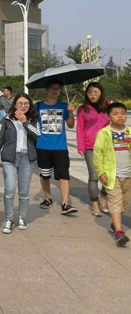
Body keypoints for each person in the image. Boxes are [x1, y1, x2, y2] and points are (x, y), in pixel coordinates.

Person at [0, 94, 41, 233]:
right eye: (20, 103)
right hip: (10, 159)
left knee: (24, 191)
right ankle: (9, 219)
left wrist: (25, 122)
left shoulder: (33, 119)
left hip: (27, 158)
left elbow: (37, 135)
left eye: (26, 103)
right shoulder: (7, 119)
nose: (23, 106)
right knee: (9, 190)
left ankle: (22, 217)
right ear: (15, 104)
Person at [35, 79, 77, 215]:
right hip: (43, 146)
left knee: (64, 175)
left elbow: (70, 125)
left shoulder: (64, 106)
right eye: (53, 88)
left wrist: (71, 113)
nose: (56, 91)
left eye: (58, 89)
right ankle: (48, 198)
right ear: (47, 90)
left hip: (60, 147)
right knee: (44, 175)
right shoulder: (38, 106)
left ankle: (65, 203)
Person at [93, 103, 131, 246]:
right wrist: (100, 172)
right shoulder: (104, 133)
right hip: (111, 175)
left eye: (123, 113)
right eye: (115, 114)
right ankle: (119, 232)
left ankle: (115, 225)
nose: (120, 116)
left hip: (128, 175)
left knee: (124, 203)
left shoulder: (129, 131)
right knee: (115, 201)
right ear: (108, 117)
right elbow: (97, 154)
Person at [76, 82, 110, 216]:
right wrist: (80, 146)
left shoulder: (109, 106)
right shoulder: (82, 109)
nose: (93, 95)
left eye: (96, 92)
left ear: (101, 93)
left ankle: (103, 195)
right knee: (94, 176)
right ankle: (95, 204)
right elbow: (80, 129)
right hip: (90, 146)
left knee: (109, 175)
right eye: (90, 92)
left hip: (107, 147)